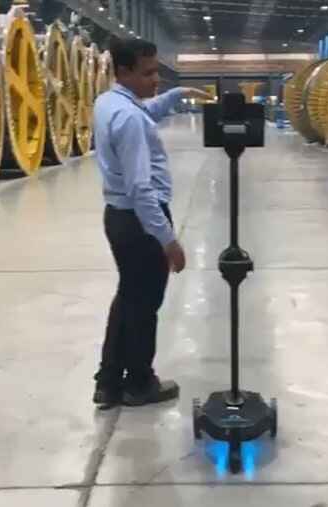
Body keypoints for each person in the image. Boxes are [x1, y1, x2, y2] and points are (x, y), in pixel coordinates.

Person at [91, 38, 212, 408]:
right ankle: (140, 382)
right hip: (140, 221)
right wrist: (167, 239)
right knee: (144, 306)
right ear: (124, 71)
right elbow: (141, 189)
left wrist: (177, 93)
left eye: (157, 71)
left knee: (128, 298)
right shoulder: (128, 118)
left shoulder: (110, 102)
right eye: (148, 73)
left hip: (120, 218)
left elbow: (147, 112)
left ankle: (108, 381)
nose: (155, 78)